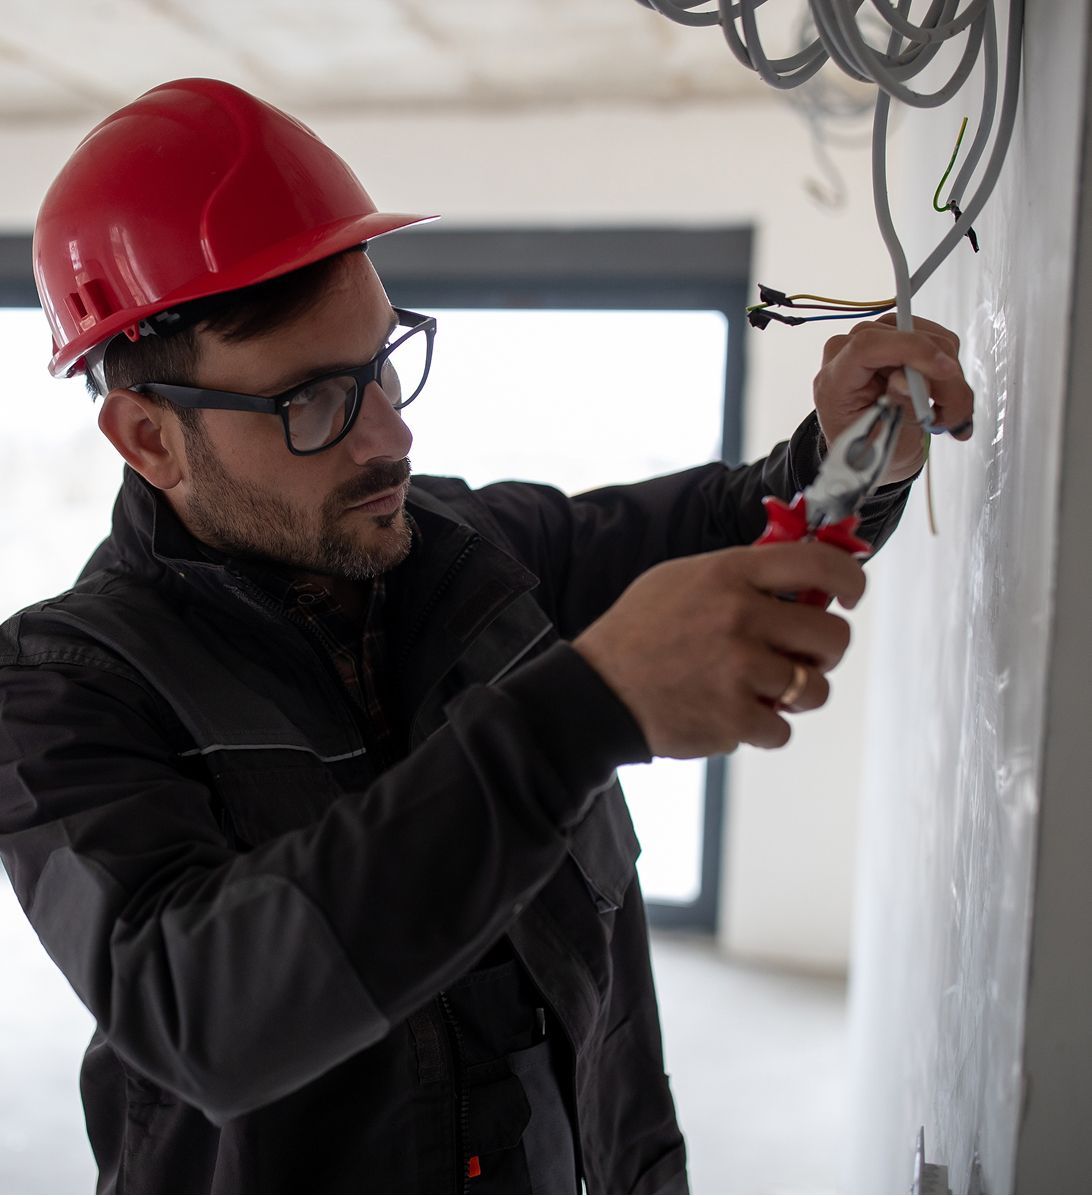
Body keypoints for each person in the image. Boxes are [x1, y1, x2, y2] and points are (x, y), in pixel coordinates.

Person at [0, 78, 973, 1195]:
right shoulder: (63, 688)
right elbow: (200, 1008)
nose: (391, 434)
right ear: (148, 438)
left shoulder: (471, 551)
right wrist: (578, 713)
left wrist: (853, 456)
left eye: (385, 360)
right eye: (316, 402)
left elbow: (741, 522)